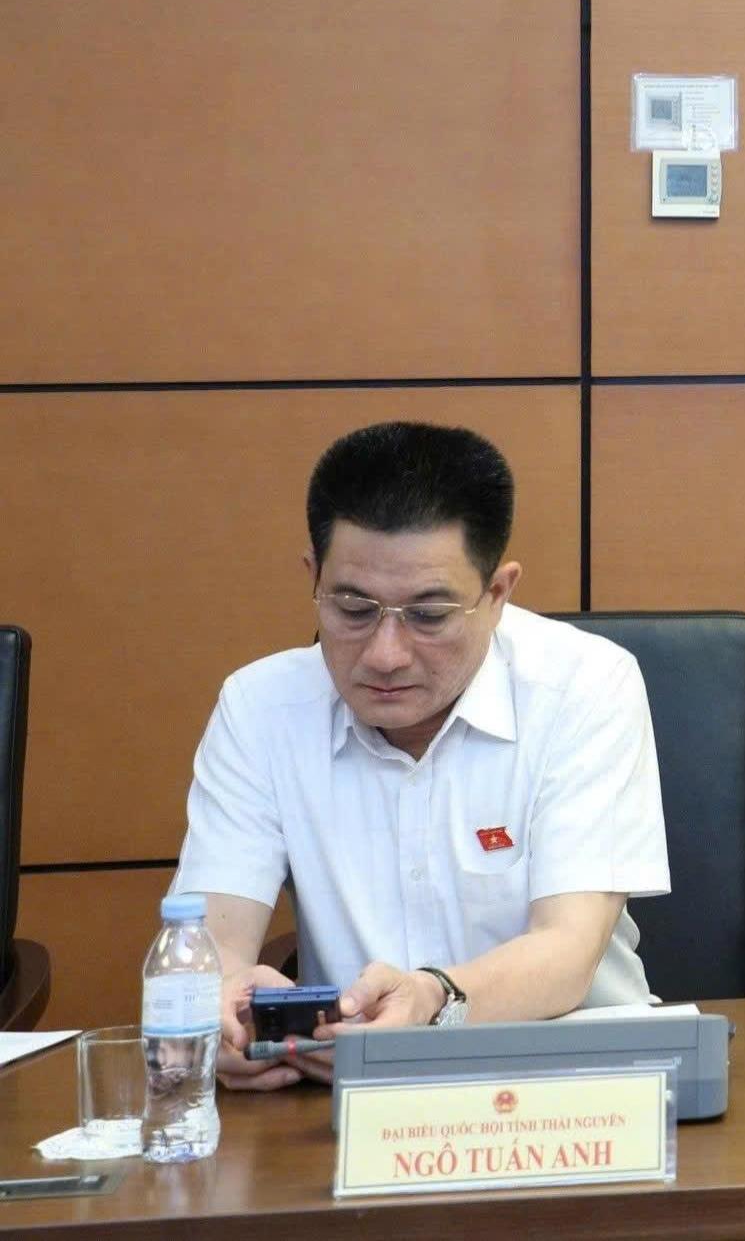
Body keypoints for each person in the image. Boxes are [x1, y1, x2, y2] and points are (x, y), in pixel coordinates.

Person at [171, 421, 670, 1089]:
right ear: (313, 577)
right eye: (353, 608)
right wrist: (221, 1012)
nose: (385, 655)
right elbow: (203, 948)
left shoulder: (585, 685)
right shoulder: (261, 708)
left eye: (429, 615)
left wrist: (432, 1000)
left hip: (575, 1086)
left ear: (497, 595)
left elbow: (567, 951)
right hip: (350, 1096)